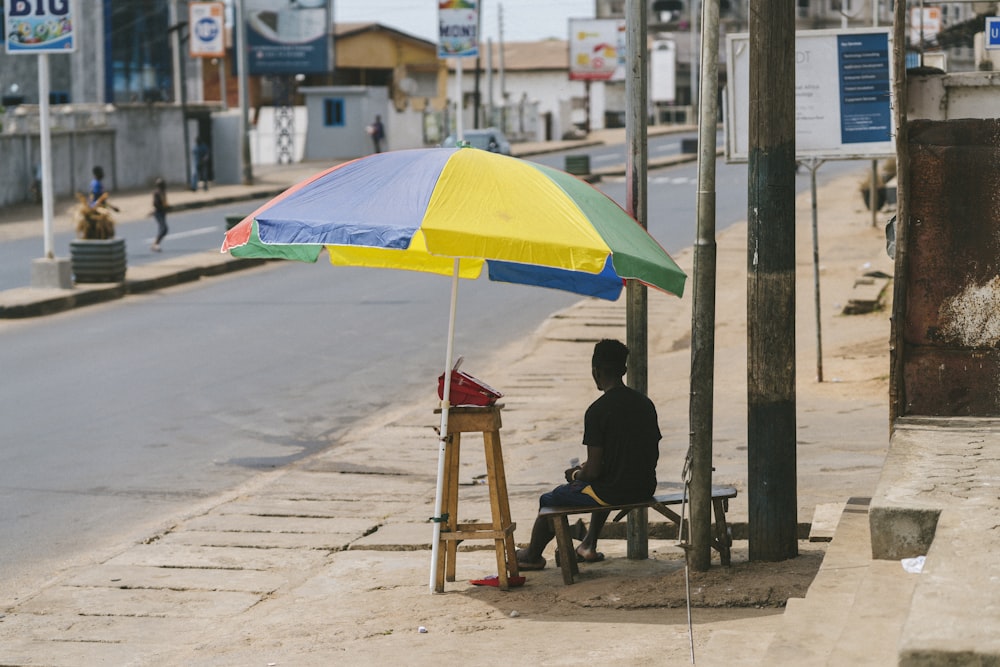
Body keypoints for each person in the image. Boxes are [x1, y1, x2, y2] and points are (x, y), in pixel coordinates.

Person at [516, 339, 661, 571]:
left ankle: (532, 555)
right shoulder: (645, 404)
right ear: (624, 370)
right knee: (602, 483)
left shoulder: (597, 411)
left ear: (595, 371)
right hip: (644, 486)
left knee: (550, 499)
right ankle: (588, 545)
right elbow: (646, 451)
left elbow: (592, 472)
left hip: (615, 492)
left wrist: (575, 474)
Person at [150, 178, 168, 252]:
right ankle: (155, 244)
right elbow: (155, 203)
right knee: (164, 228)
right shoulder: (157, 193)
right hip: (158, 213)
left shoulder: (163, 192)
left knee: (163, 229)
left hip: (162, 212)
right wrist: (162, 207)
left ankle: (156, 244)